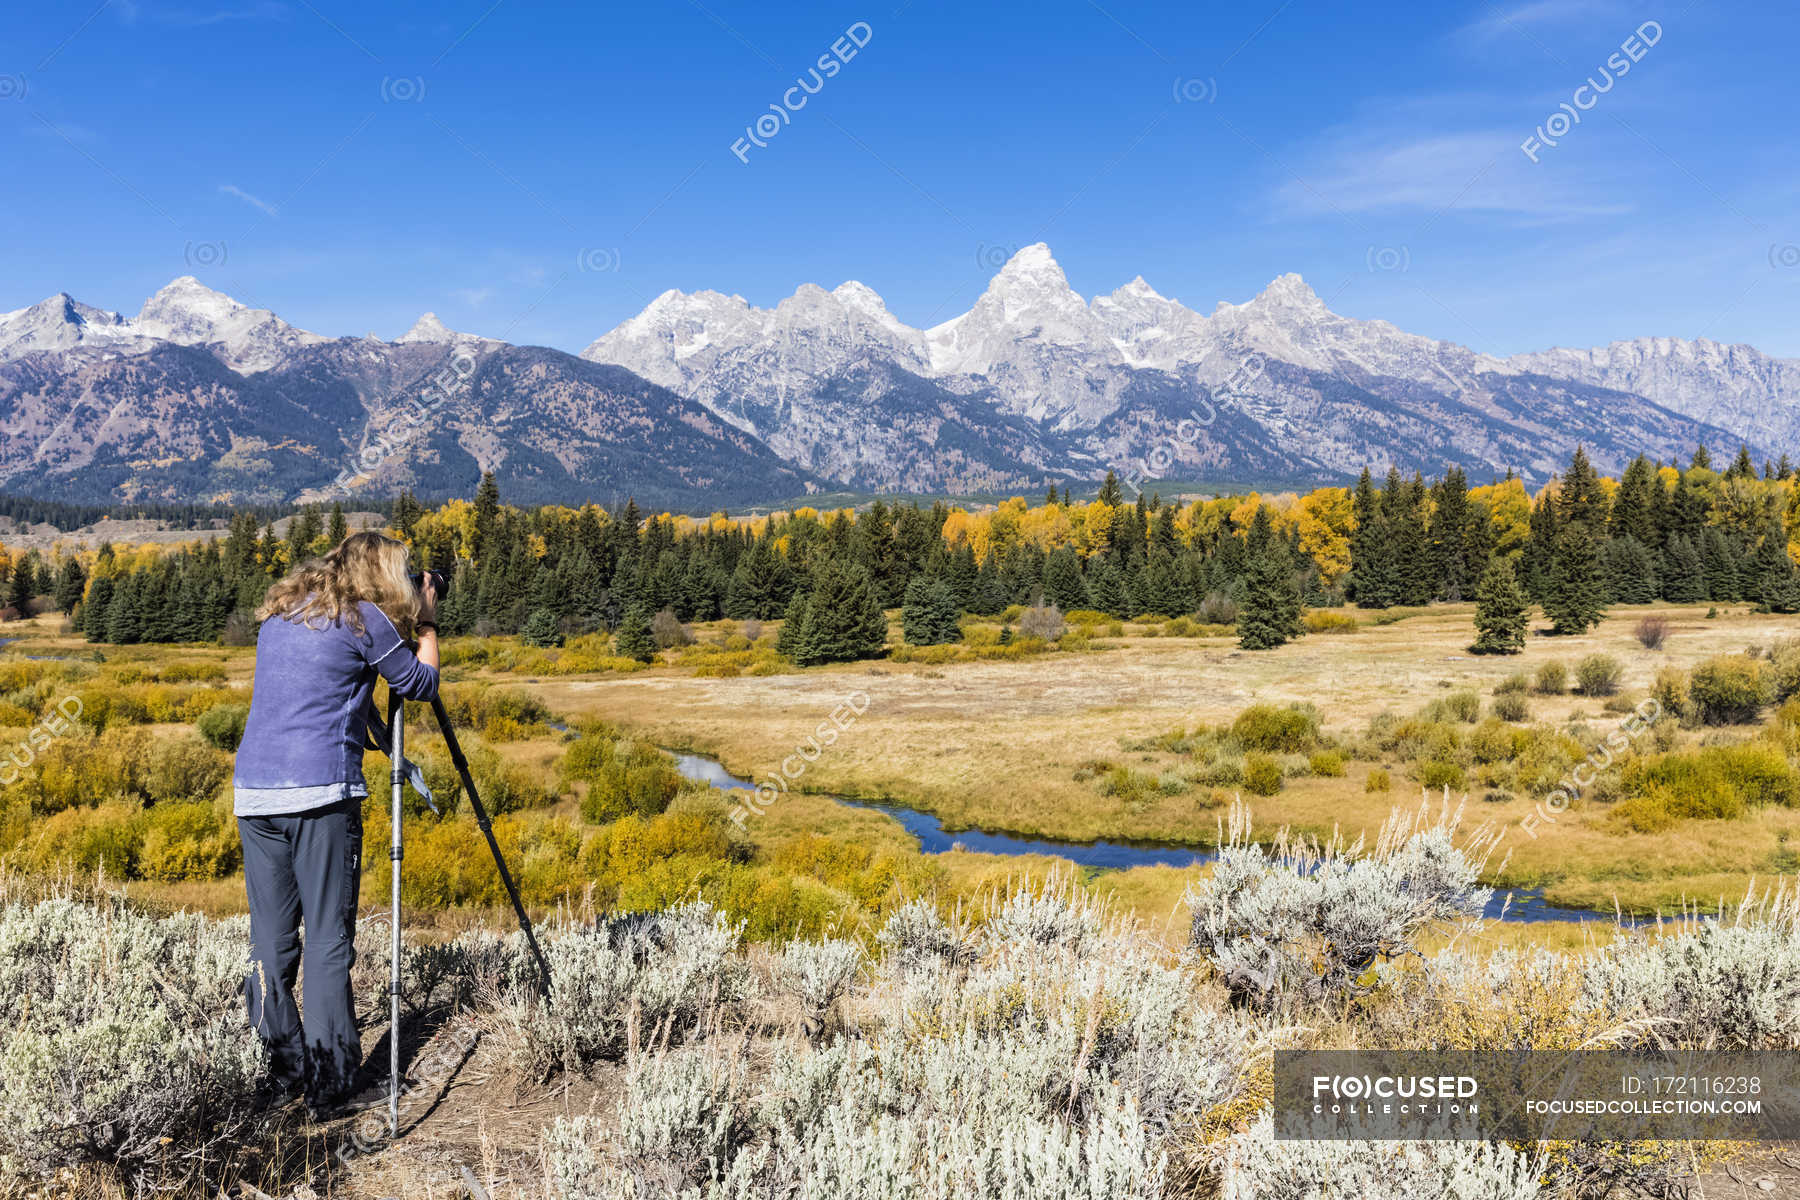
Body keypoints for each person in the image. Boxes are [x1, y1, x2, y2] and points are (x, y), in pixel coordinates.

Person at [232, 530, 440, 1117]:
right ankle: (333, 1087)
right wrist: (426, 623)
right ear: (381, 574)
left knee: (270, 946)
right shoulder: (364, 619)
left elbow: (317, 691)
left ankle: (283, 1071)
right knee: (327, 941)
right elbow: (419, 684)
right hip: (320, 795)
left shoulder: (280, 614)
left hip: (254, 795)